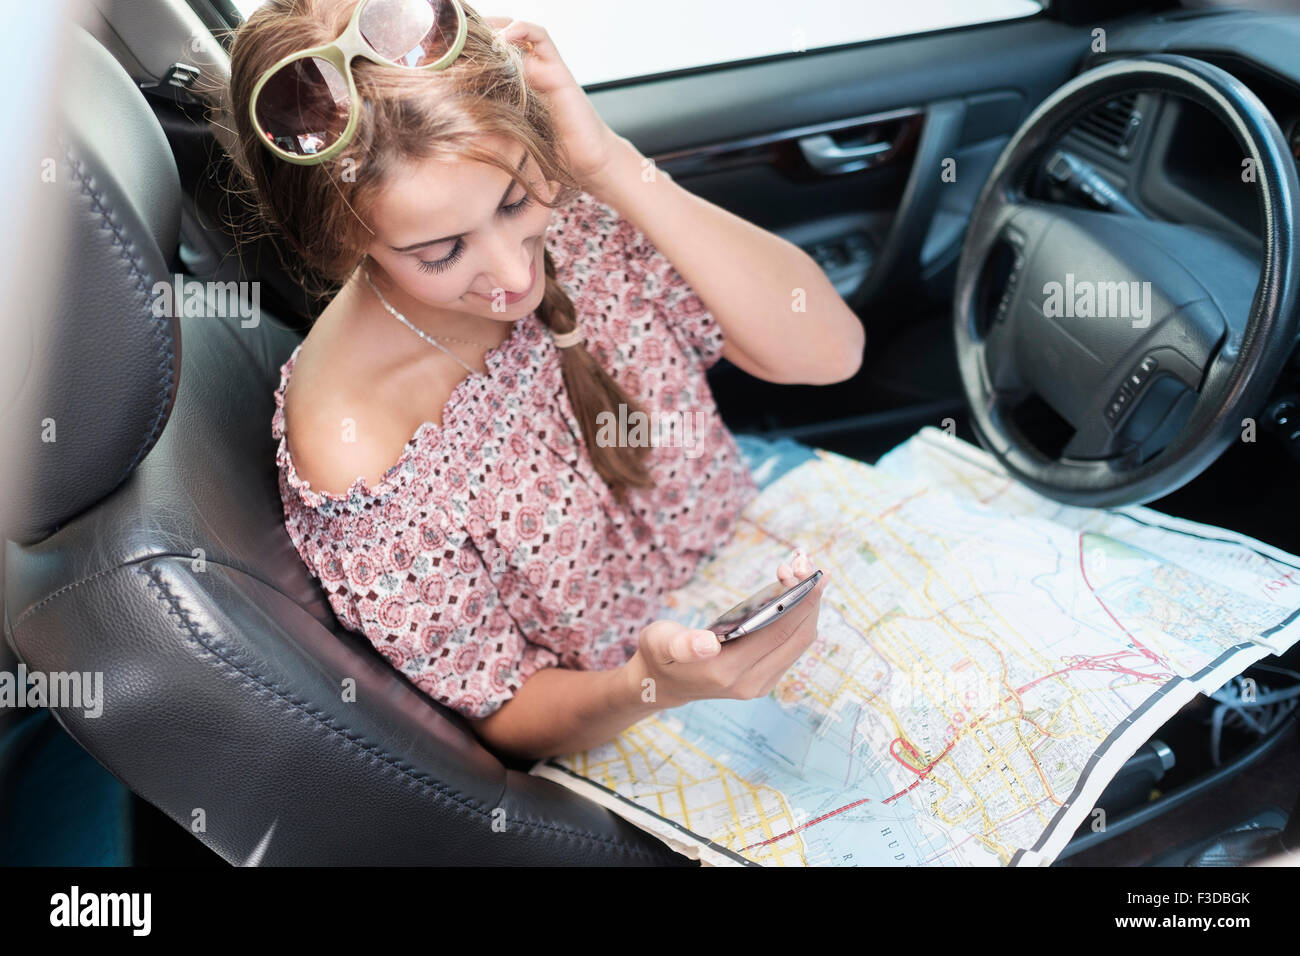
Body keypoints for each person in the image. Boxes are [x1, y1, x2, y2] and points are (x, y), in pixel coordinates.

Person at [224, 0, 865, 761]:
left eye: (516, 201)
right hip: (630, 703)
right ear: (342, 242)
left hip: (756, 540)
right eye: (440, 251)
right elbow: (501, 707)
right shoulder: (355, 444)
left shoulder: (582, 208)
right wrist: (654, 683)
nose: (512, 272)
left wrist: (607, 164)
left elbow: (830, 352)